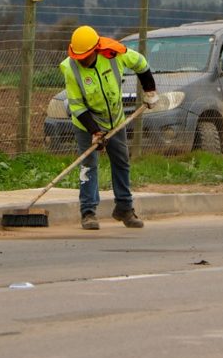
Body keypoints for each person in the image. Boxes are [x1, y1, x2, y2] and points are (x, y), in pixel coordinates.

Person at [60, 25, 159, 230]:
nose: (81, 60)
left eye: (85, 56)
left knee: (121, 161)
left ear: (95, 50)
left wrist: (149, 91)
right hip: (86, 121)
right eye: (78, 57)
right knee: (88, 165)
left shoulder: (115, 54)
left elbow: (141, 64)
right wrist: (95, 132)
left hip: (115, 120)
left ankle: (124, 208)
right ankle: (88, 212)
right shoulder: (70, 68)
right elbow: (77, 106)